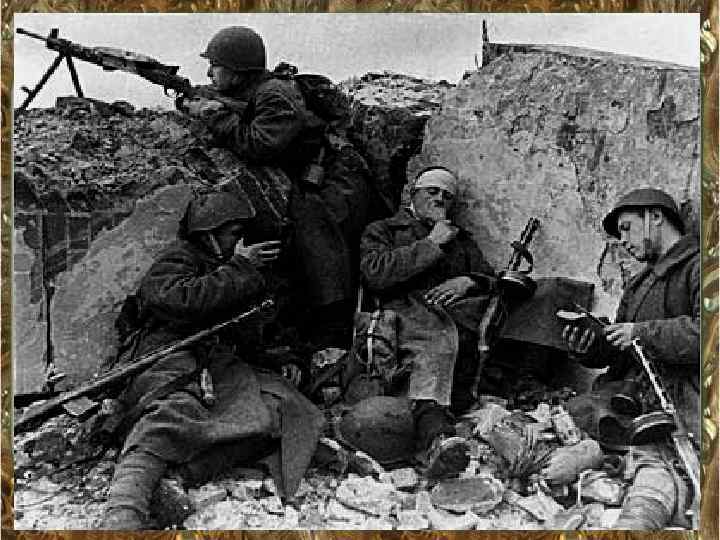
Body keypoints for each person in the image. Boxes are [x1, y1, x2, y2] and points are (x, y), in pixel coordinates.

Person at [100, 190, 324, 529]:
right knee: (173, 411)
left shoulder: (244, 271)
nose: (241, 241)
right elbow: (177, 300)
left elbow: (256, 331)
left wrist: (286, 360)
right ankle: (124, 511)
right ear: (208, 235)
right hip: (170, 353)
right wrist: (239, 268)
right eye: (233, 233)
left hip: (222, 366)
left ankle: (180, 477)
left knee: (287, 414)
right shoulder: (181, 258)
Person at [181, 26, 372, 349]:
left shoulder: (274, 93)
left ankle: (333, 327)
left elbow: (259, 144)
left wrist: (215, 118)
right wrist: (195, 101)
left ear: (238, 71)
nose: (209, 73)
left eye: (215, 66)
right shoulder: (254, 89)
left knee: (315, 235)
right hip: (311, 171)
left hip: (337, 176)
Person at [562, 187, 699, 529]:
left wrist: (641, 332)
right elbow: (620, 353)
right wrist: (590, 345)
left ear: (655, 217)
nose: (622, 241)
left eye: (627, 228)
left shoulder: (701, 266)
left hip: (687, 397)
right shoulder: (639, 286)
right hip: (634, 398)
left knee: (667, 470)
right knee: (572, 421)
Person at [358, 166, 497, 477]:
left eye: (447, 196)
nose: (439, 199)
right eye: (432, 192)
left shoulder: (461, 240)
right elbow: (375, 274)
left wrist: (468, 281)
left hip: (456, 316)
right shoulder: (384, 230)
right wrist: (431, 244)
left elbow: (490, 278)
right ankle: (435, 440)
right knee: (434, 348)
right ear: (413, 195)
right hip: (405, 313)